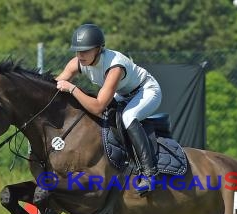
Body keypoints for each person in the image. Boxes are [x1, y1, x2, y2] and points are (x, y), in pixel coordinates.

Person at [55, 23, 162, 196]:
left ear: (98, 49)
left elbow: (97, 106)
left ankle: (150, 174)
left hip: (146, 91)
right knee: (107, 118)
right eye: (77, 51)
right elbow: (56, 84)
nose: (80, 55)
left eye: (85, 51)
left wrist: (73, 89)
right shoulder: (78, 63)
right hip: (123, 93)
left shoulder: (115, 66)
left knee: (128, 117)